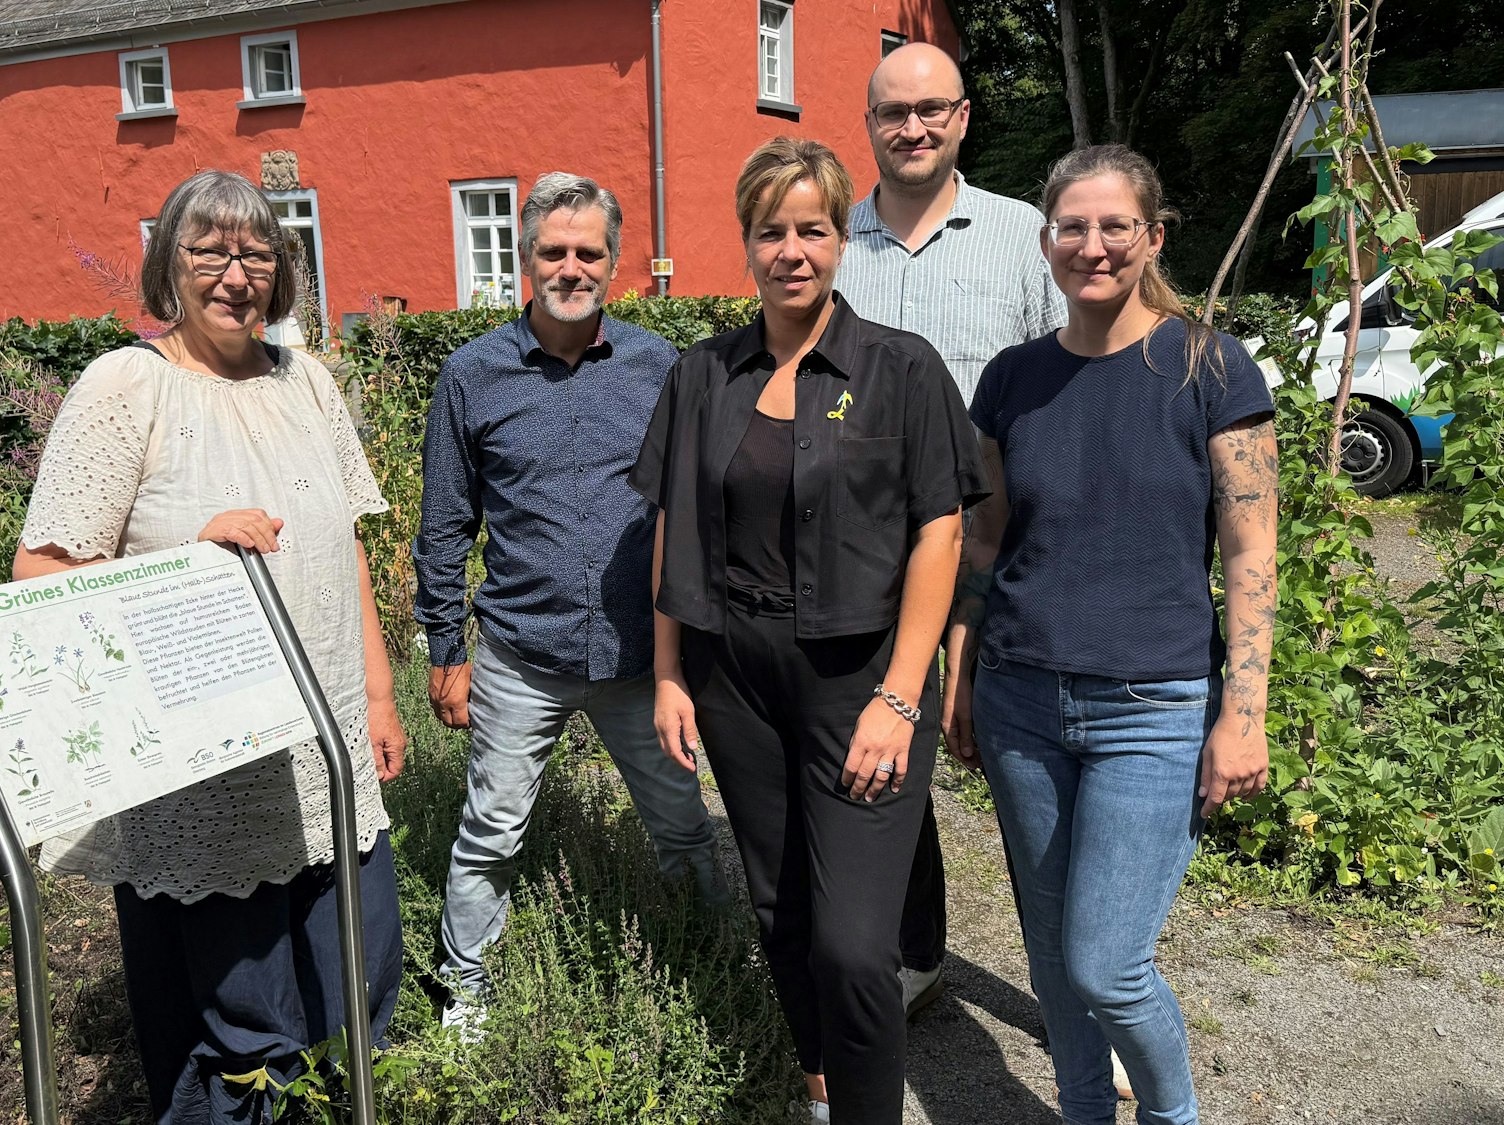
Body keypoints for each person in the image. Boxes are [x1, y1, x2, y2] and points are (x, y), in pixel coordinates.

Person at [11, 169, 406, 1124]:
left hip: (329, 742)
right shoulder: (127, 387)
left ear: (282, 271)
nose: (236, 275)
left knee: (359, 987)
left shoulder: (307, 380)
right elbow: (41, 573)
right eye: (210, 253)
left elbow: (344, 544)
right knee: (245, 1034)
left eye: (257, 254)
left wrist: (381, 696)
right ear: (168, 268)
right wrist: (191, 562)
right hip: (210, 780)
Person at [632, 137, 988, 1125]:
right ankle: (818, 1087)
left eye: (812, 229)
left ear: (841, 239)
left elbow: (939, 530)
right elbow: (670, 523)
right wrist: (668, 674)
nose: (792, 250)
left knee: (853, 945)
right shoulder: (702, 374)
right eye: (770, 231)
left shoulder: (897, 369)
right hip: (734, 678)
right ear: (745, 242)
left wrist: (899, 696)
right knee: (780, 908)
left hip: (859, 680)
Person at [945, 144, 1279, 1125]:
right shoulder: (1011, 380)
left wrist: (1244, 714)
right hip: (1018, 704)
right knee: (1052, 965)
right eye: (1070, 227)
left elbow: (1250, 553)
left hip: (1154, 707)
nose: (1090, 246)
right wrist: (960, 672)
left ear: (1151, 237)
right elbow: (985, 543)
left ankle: (1172, 1118)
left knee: (1106, 963)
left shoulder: (1209, 365)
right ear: (1046, 240)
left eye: (1112, 226)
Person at [414, 172, 720, 1033]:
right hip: (520, 653)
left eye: (589, 251)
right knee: (491, 835)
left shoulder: (661, 366)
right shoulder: (472, 375)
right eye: (554, 250)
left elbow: (694, 512)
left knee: (683, 824)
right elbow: (444, 524)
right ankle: (463, 993)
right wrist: (446, 648)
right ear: (526, 260)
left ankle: (708, 955)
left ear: (615, 262)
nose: (572, 266)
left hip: (637, 658)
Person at [833, 39, 1068, 1023]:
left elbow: (1071, 380)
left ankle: (1074, 997)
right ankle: (918, 951)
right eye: (893, 112)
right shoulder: (831, 239)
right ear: (871, 125)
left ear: (963, 117)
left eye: (932, 109)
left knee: (1032, 780)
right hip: (868, 556)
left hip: (1001, 551)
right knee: (885, 754)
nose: (913, 128)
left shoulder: (1021, 236)